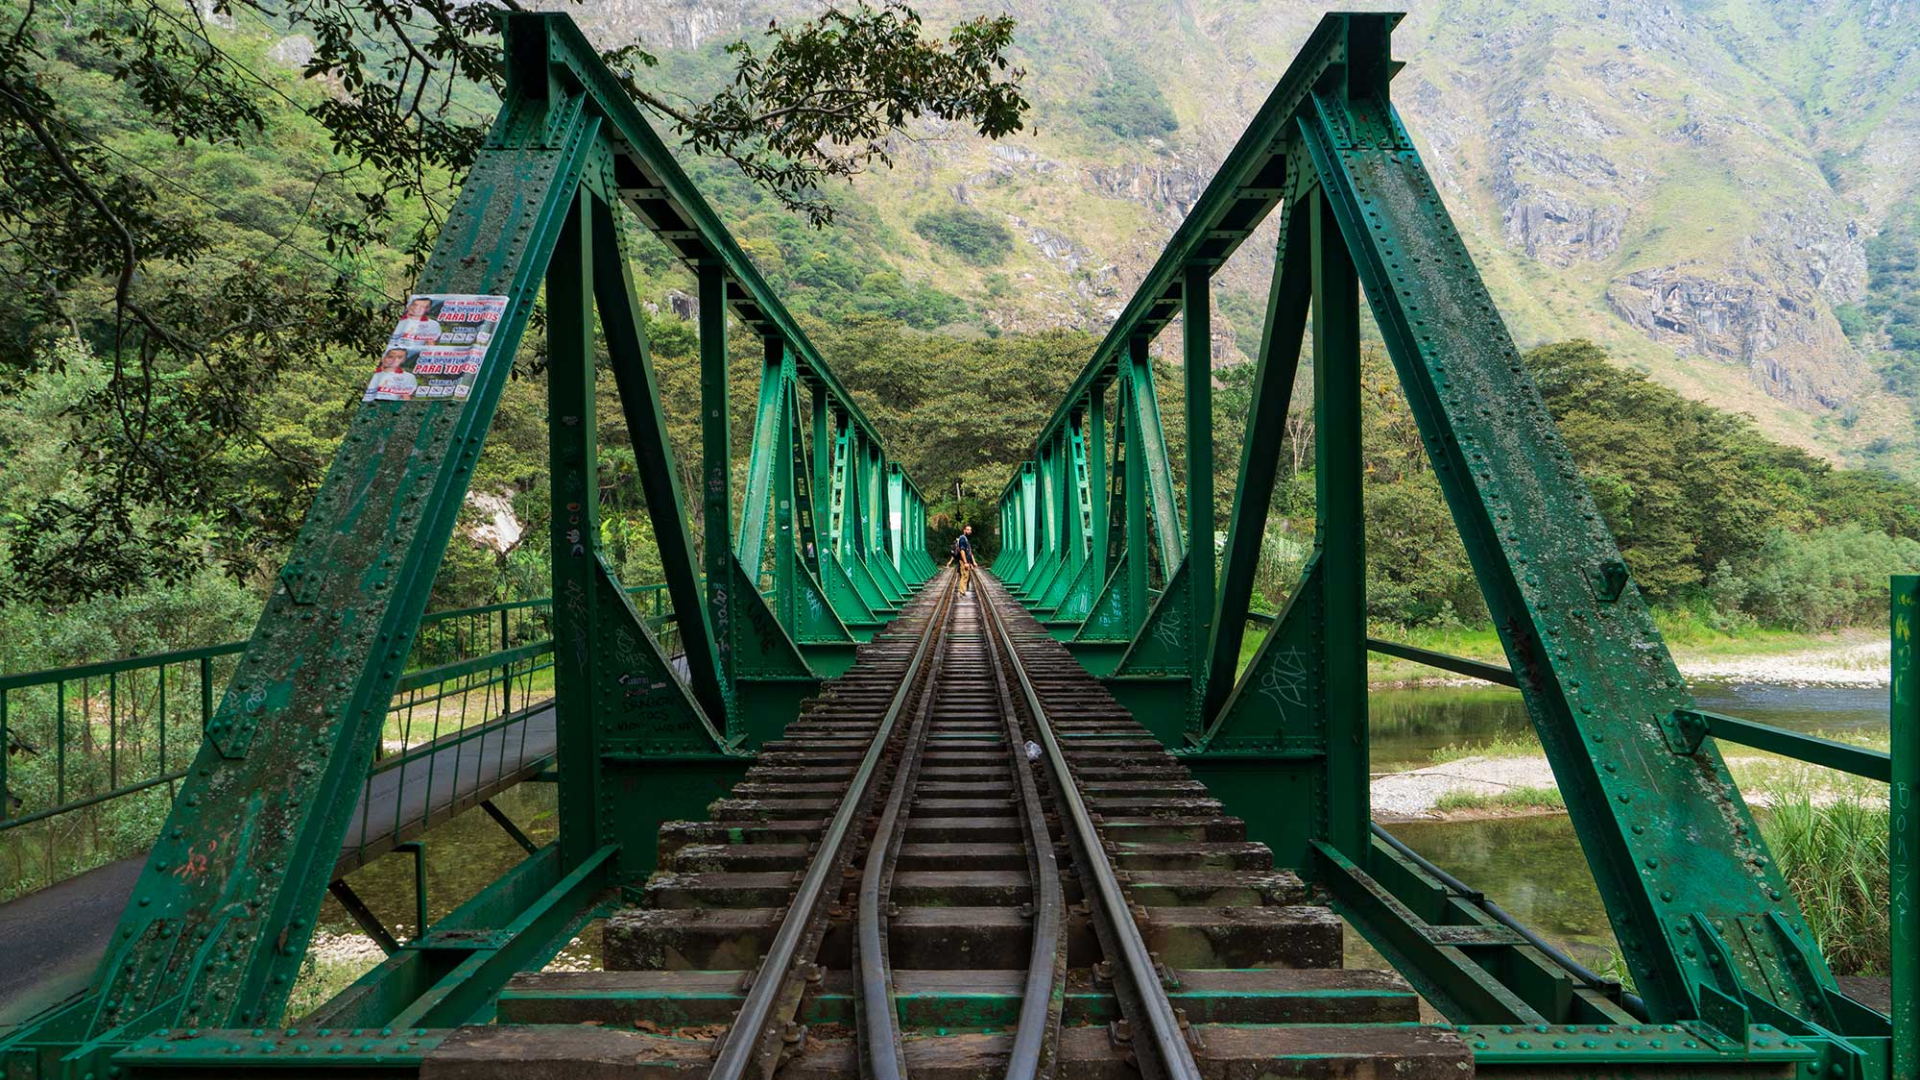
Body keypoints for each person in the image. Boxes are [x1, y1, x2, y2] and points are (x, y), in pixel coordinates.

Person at [955, 523, 976, 594]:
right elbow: (962, 551)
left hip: (967, 560)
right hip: (964, 561)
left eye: (970, 530)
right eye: (968, 530)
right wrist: (965, 562)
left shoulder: (966, 539)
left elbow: (969, 552)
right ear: (964, 530)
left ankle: (962, 591)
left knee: (966, 576)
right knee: (965, 576)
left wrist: (973, 562)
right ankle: (961, 591)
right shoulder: (962, 539)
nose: (969, 531)